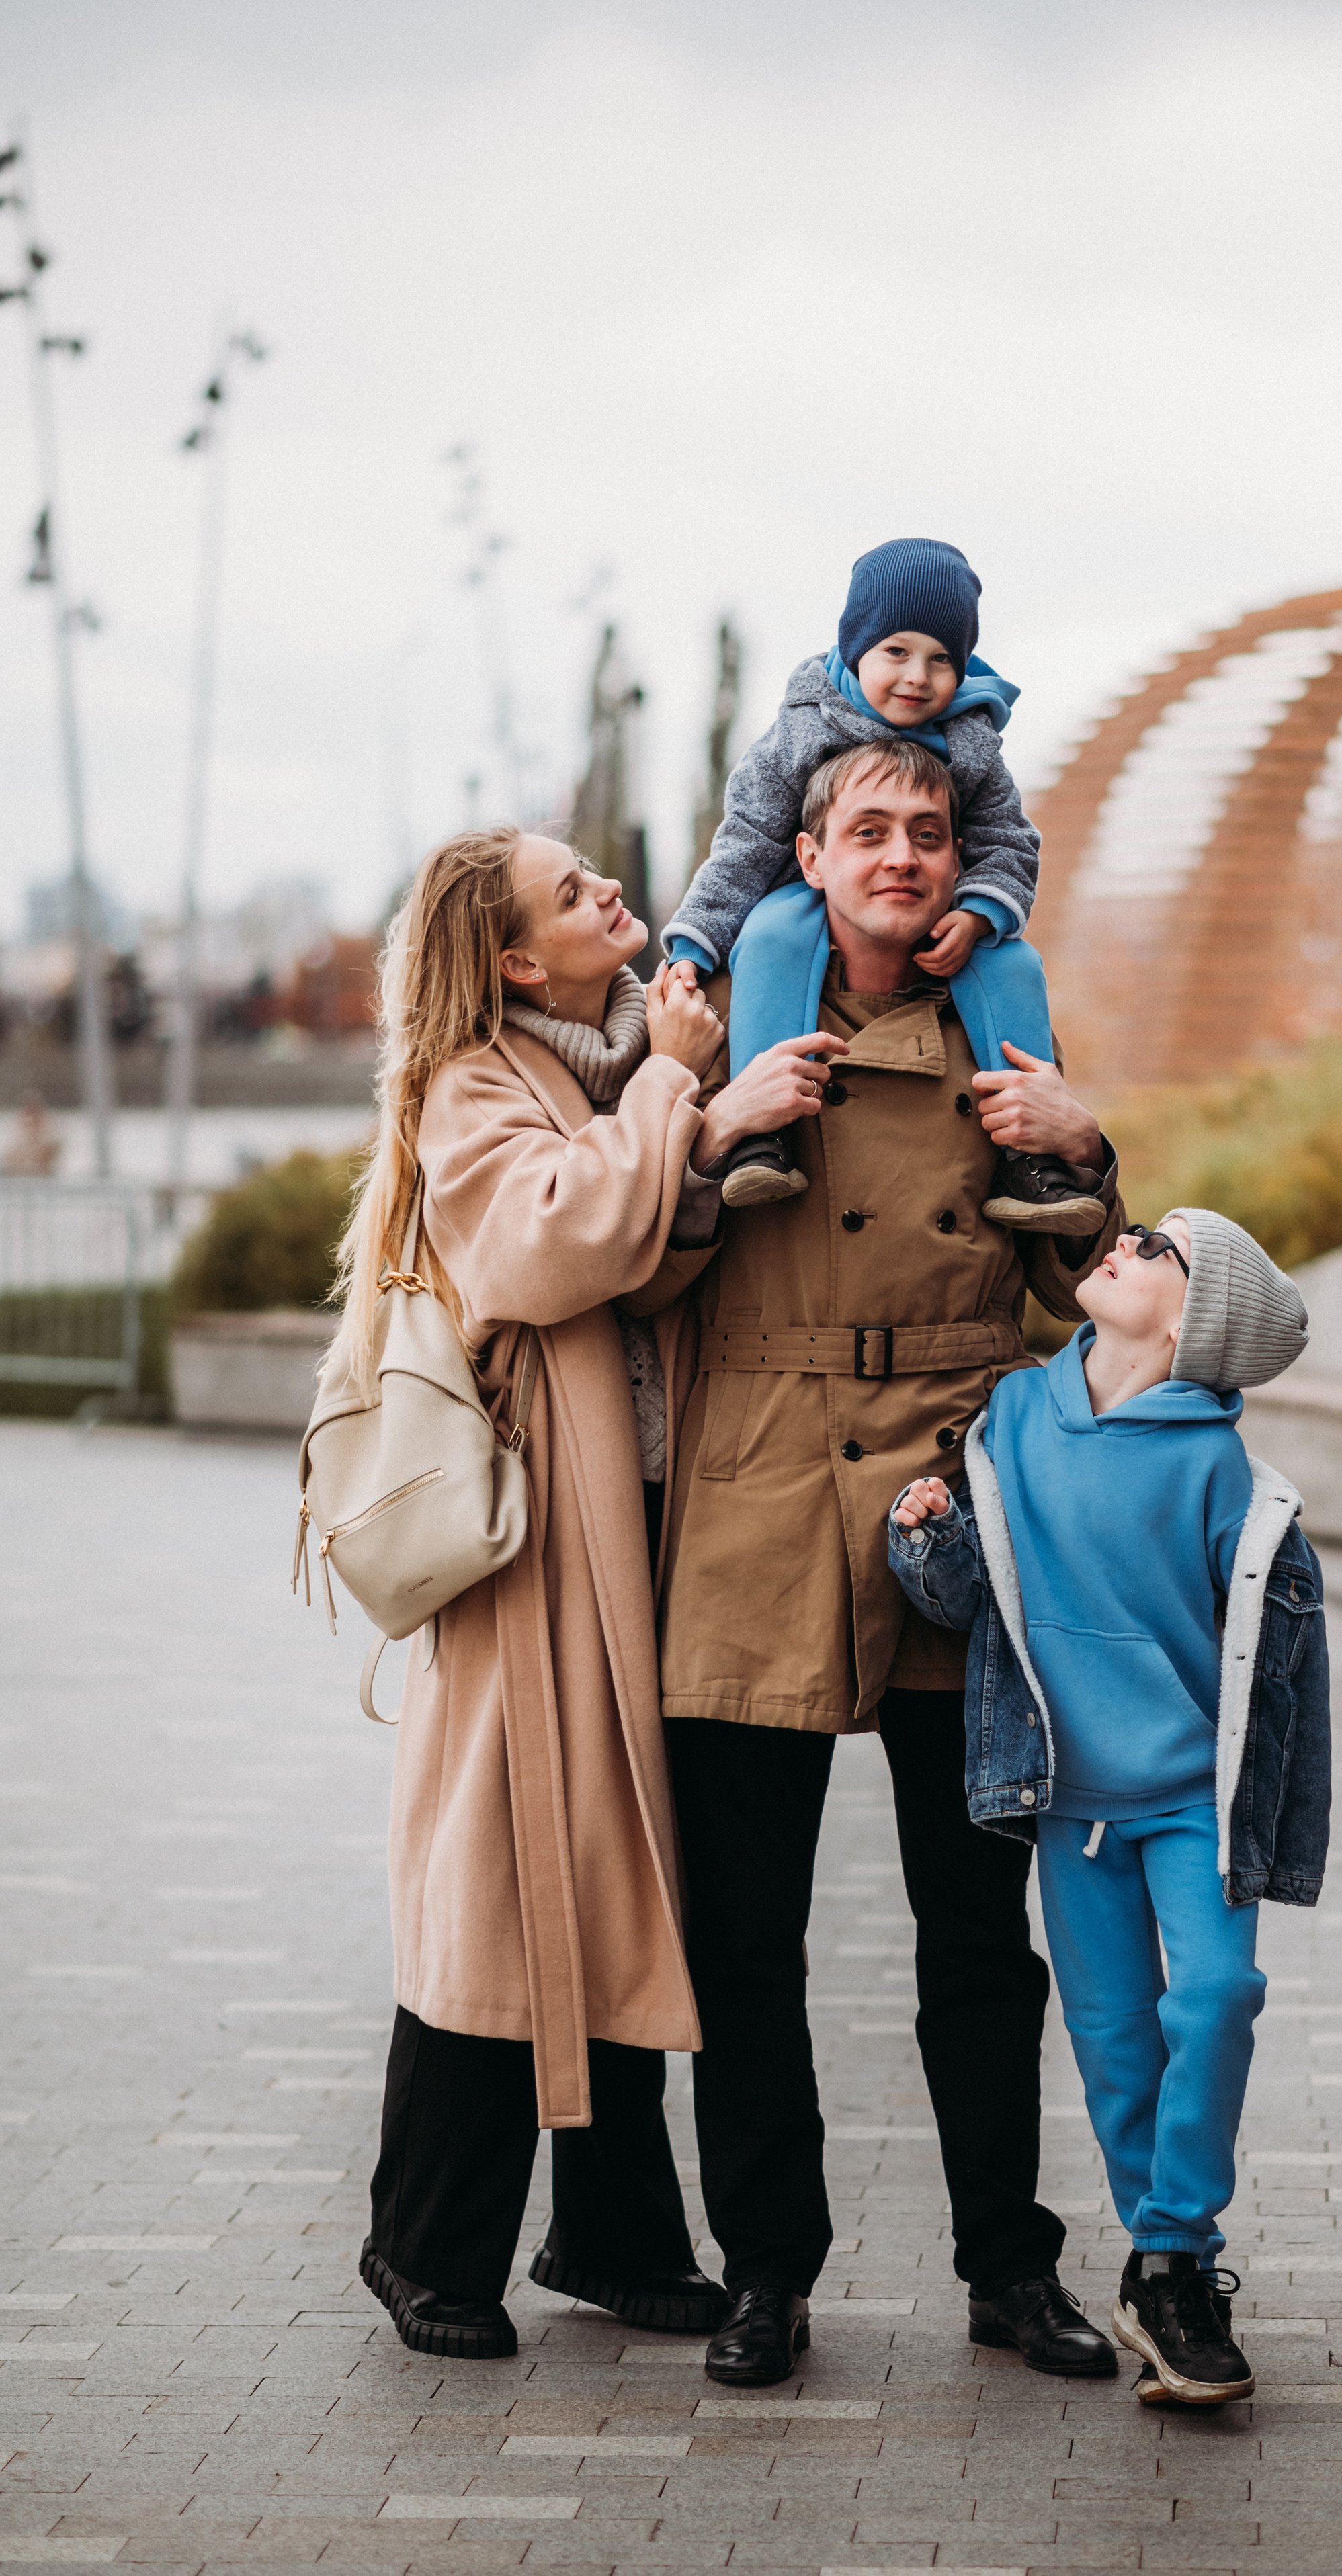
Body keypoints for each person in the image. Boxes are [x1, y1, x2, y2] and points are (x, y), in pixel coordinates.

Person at [657, 731, 1127, 2387]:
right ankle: (763, 2269)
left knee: (976, 1930)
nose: (905, 852)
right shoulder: (723, 1030)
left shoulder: (999, 1035)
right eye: (870, 826)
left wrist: (1079, 1149)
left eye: (931, 827)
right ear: (807, 852)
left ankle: (1008, 2265)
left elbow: (1101, 1306)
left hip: (952, 1495)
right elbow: (629, 1279)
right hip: (758, 1494)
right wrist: (706, 1132)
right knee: (743, 1929)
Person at [326, 823, 731, 2361]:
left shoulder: (596, 1063)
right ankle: (419, 2238)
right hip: (531, 1548)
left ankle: (608, 2229)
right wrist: (680, 1094)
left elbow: (645, 1251)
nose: (611, 895)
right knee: (499, 1880)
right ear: (511, 957)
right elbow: (558, 1247)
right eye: (575, 895)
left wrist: (668, 1121)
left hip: (620, 1531)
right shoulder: (475, 1084)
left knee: (615, 1865)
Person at [888, 1209, 1330, 2406]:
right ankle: (1168, 2283)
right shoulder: (1019, 1412)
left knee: (1221, 1991)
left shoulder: (1218, 1464)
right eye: (1128, 1232)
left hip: (1193, 1797)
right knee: (1116, 2045)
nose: (1120, 1243)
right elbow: (971, 1586)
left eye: (1153, 1247)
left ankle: (1177, 2242)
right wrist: (920, 1538)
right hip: (1069, 1801)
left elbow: (1267, 1660)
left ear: (1192, 1320)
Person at [660, 536, 1104, 1235]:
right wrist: (694, 942)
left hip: (947, 921)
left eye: (941, 660)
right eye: (895, 652)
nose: (918, 678)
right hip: (801, 905)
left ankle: (1030, 1153)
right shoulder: (802, 732)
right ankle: (760, 1130)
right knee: (773, 931)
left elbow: (1008, 841)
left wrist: (981, 912)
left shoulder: (971, 742)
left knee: (1014, 961)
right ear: (855, 650)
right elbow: (746, 843)